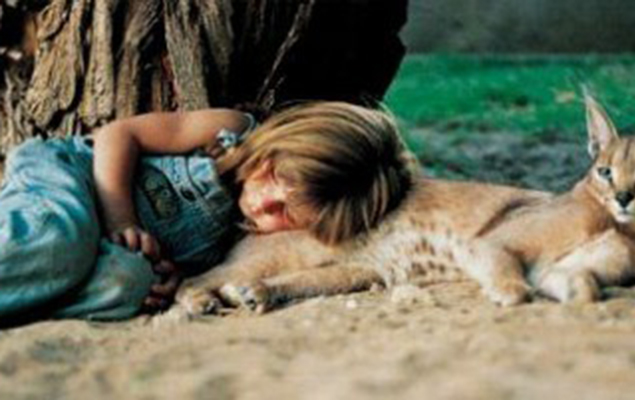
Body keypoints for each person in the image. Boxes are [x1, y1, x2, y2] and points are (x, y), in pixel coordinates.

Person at [0, 102, 415, 325]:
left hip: (105, 250)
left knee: (126, 286)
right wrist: (121, 220)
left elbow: (184, 266)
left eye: (283, 211)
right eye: (271, 174)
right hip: (71, 180)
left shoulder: (240, 241)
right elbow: (117, 134)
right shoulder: (230, 131)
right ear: (281, 139)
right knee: (59, 239)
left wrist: (167, 277)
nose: (260, 201)